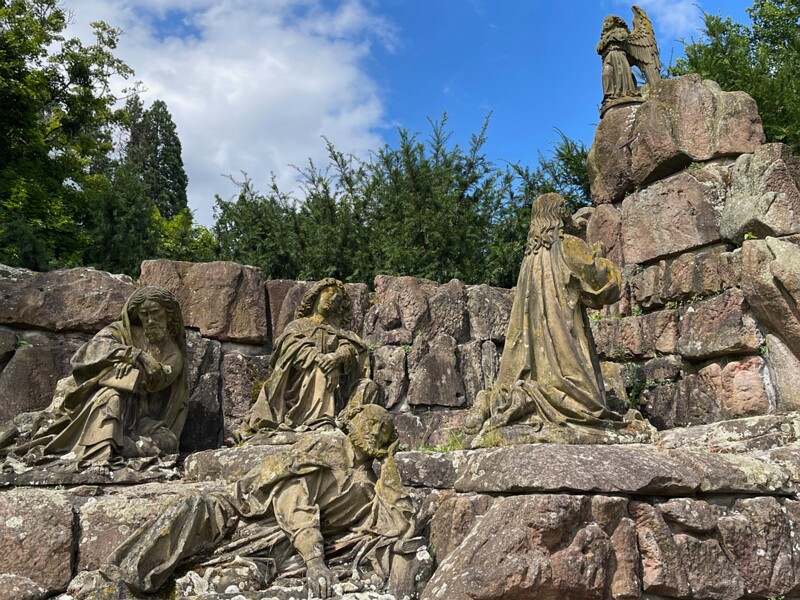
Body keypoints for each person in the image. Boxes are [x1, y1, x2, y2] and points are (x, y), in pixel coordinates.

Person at [67, 404, 419, 599]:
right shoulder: (325, 447)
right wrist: (314, 561)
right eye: (371, 422)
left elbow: (399, 523)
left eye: (385, 430)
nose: (376, 431)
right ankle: (123, 581)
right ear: (352, 422)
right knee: (193, 506)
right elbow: (293, 497)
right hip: (244, 510)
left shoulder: (369, 488)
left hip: (274, 542)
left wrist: (389, 467)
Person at [465, 193, 651, 446]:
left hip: (535, 343)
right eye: (565, 209)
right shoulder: (567, 246)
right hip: (564, 334)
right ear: (560, 212)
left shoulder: (530, 256)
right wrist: (599, 255)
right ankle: (559, 402)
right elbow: (602, 283)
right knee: (582, 397)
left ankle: (513, 401)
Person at [2, 286, 188, 467]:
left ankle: (115, 443)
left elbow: (157, 379)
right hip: (103, 396)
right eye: (144, 314)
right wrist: (133, 355)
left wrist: (134, 367)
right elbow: (89, 351)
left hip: (138, 416)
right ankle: (100, 449)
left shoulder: (173, 354)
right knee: (111, 398)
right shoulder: (122, 331)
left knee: (168, 442)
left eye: (155, 313)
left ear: (168, 314)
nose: (150, 320)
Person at [239, 278, 378, 439]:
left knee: (368, 386)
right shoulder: (298, 325)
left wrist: (336, 357)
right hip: (298, 386)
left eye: (338, 298)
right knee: (320, 370)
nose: (333, 298)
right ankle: (318, 421)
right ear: (315, 295)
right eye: (329, 293)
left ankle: (346, 422)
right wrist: (320, 360)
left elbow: (351, 348)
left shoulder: (338, 331)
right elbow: (292, 346)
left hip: (337, 392)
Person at [597, 14, 640, 109]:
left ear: (615, 23)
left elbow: (622, 37)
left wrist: (609, 38)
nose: (606, 24)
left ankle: (625, 93)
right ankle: (609, 96)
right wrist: (606, 39)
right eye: (604, 22)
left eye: (609, 21)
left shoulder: (620, 30)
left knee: (621, 72)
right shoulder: (603, 37)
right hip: (608, 57)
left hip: (619, 55)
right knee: (606, 73)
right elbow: (598, 49)